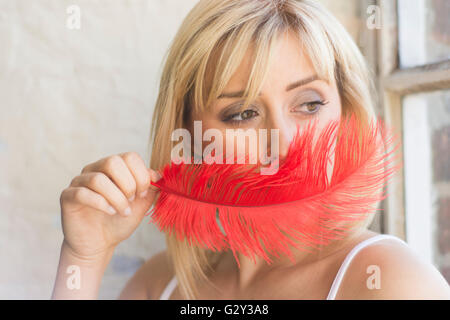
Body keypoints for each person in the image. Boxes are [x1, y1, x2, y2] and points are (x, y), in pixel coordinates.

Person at [51, 0, 450, 300]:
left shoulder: (388, 280)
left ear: (346, 110)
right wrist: (85, 257)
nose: (284, 140)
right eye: (242, 114)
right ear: (189, 134)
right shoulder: (160, 284)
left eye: (309, 104)